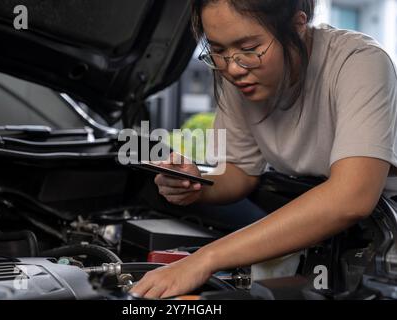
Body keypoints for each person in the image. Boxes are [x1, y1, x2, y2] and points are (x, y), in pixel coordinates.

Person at [130, 0, 397, 299]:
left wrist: (204, 260)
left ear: (298, 25)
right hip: (315, 231)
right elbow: (241, 170)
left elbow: (352, 198)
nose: (232, 67)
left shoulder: (359, 62)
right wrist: (197, 185)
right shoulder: (240, 76)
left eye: (249, 48)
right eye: (218, 50)